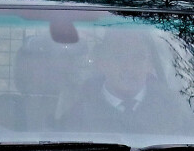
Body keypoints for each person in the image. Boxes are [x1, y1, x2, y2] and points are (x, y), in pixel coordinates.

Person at [58, 28, 191, 135]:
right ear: (101, 63)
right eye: (118, 57)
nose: (129, 67)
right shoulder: (77, 114)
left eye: (138, 57)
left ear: (150, 64)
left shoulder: (176, 109)